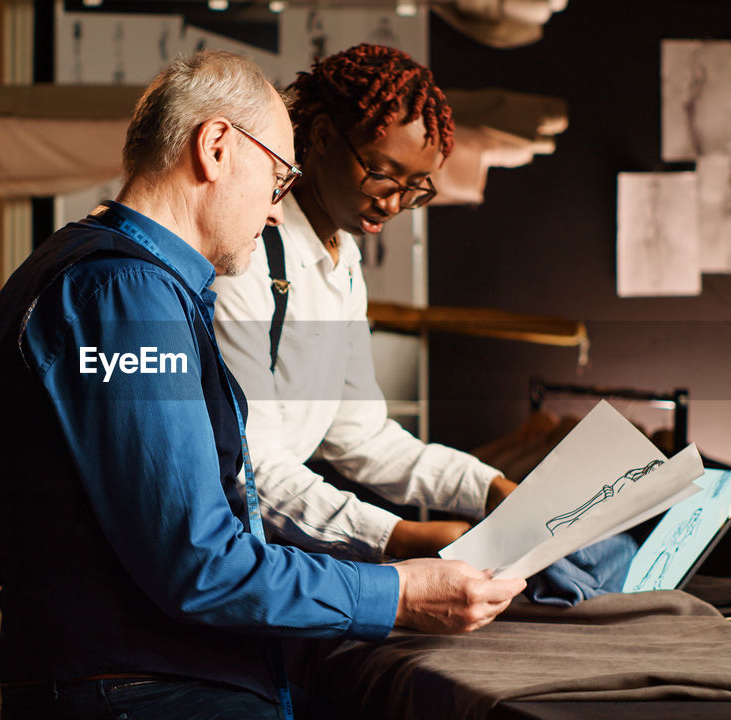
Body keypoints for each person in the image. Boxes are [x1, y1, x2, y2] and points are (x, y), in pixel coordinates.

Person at [0, 50, 526, 719]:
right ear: (217, 147)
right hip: (140, 687)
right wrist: (396, 592)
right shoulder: (127, 295)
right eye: (277, 179)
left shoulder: (132, 283)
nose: (274, 211)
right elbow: (198, 560)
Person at [211, 44, 521, 563]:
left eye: (415, 188)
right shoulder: (248, 255)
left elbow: (361, 437)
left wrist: (490, 488)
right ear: (324, 138)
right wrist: (399, 538)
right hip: (218, 543)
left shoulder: (344, 264)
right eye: (382, 173)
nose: (394, 203)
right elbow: (253, 466)